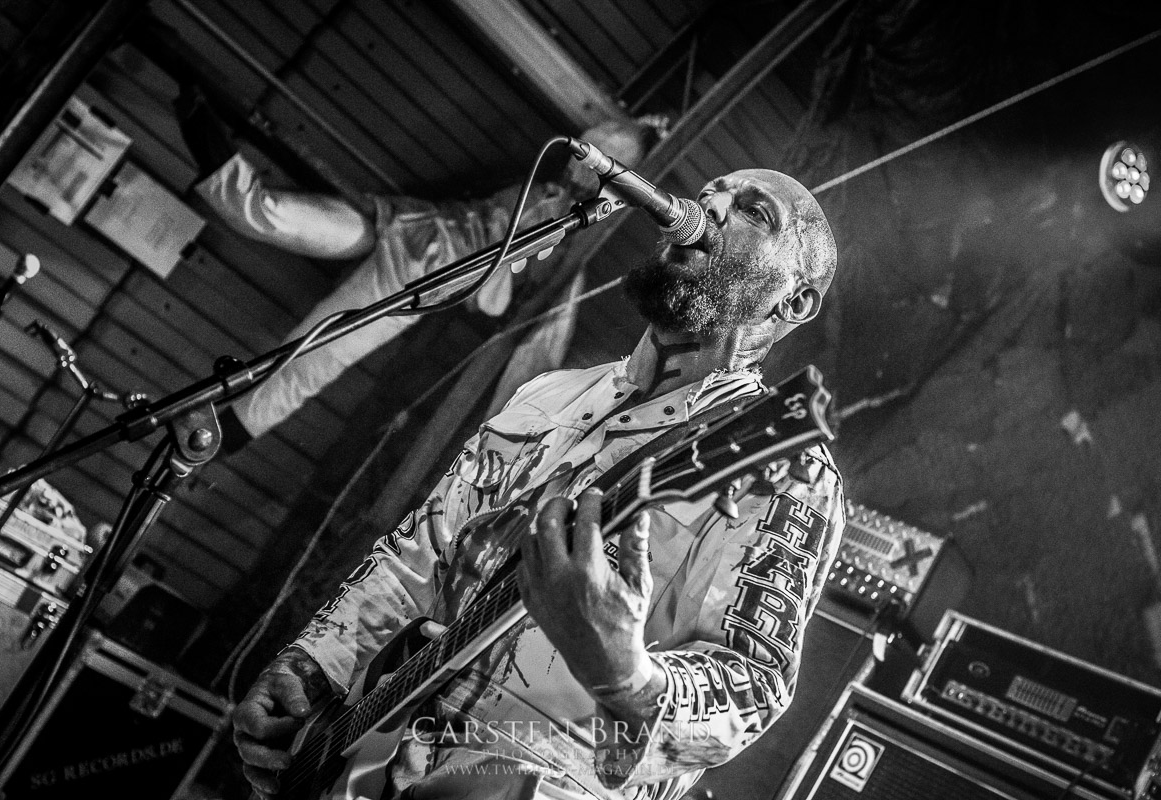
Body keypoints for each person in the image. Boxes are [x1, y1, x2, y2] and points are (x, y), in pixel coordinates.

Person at [231, 166, 845, 800]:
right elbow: (420, 554)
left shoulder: (785, 469)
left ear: (794, 302)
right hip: (372, 767)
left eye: (754, 212)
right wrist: (313, 666)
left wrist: (626, 674)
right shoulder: (545, 396)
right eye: (712, 191)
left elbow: (755, 684)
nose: (710, 206)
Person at [175, 85, 661, 452]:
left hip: (420, 274)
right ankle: (191, 100)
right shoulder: (543, 186)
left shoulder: (574, 235)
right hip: (401, 221)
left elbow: (512, 308)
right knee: (272, 215)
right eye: (581, 151)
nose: (577, 163)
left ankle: (221, 434)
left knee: (316, 353)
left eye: (592, 161)